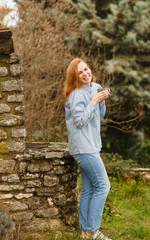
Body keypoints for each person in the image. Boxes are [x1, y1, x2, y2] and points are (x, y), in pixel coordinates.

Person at [64, 58, 112, 240]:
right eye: (80, 72)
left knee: (90, 189)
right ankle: (93, 231)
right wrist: (93, 101)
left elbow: (99, 116)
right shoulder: (76, 94)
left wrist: (101, 101)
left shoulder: (95, 87)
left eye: (86, 69)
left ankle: (85, 233)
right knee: (103, 186)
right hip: (83, 148)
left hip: (92, 145)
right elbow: (80, 120)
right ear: (75, 77)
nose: (85, 74)